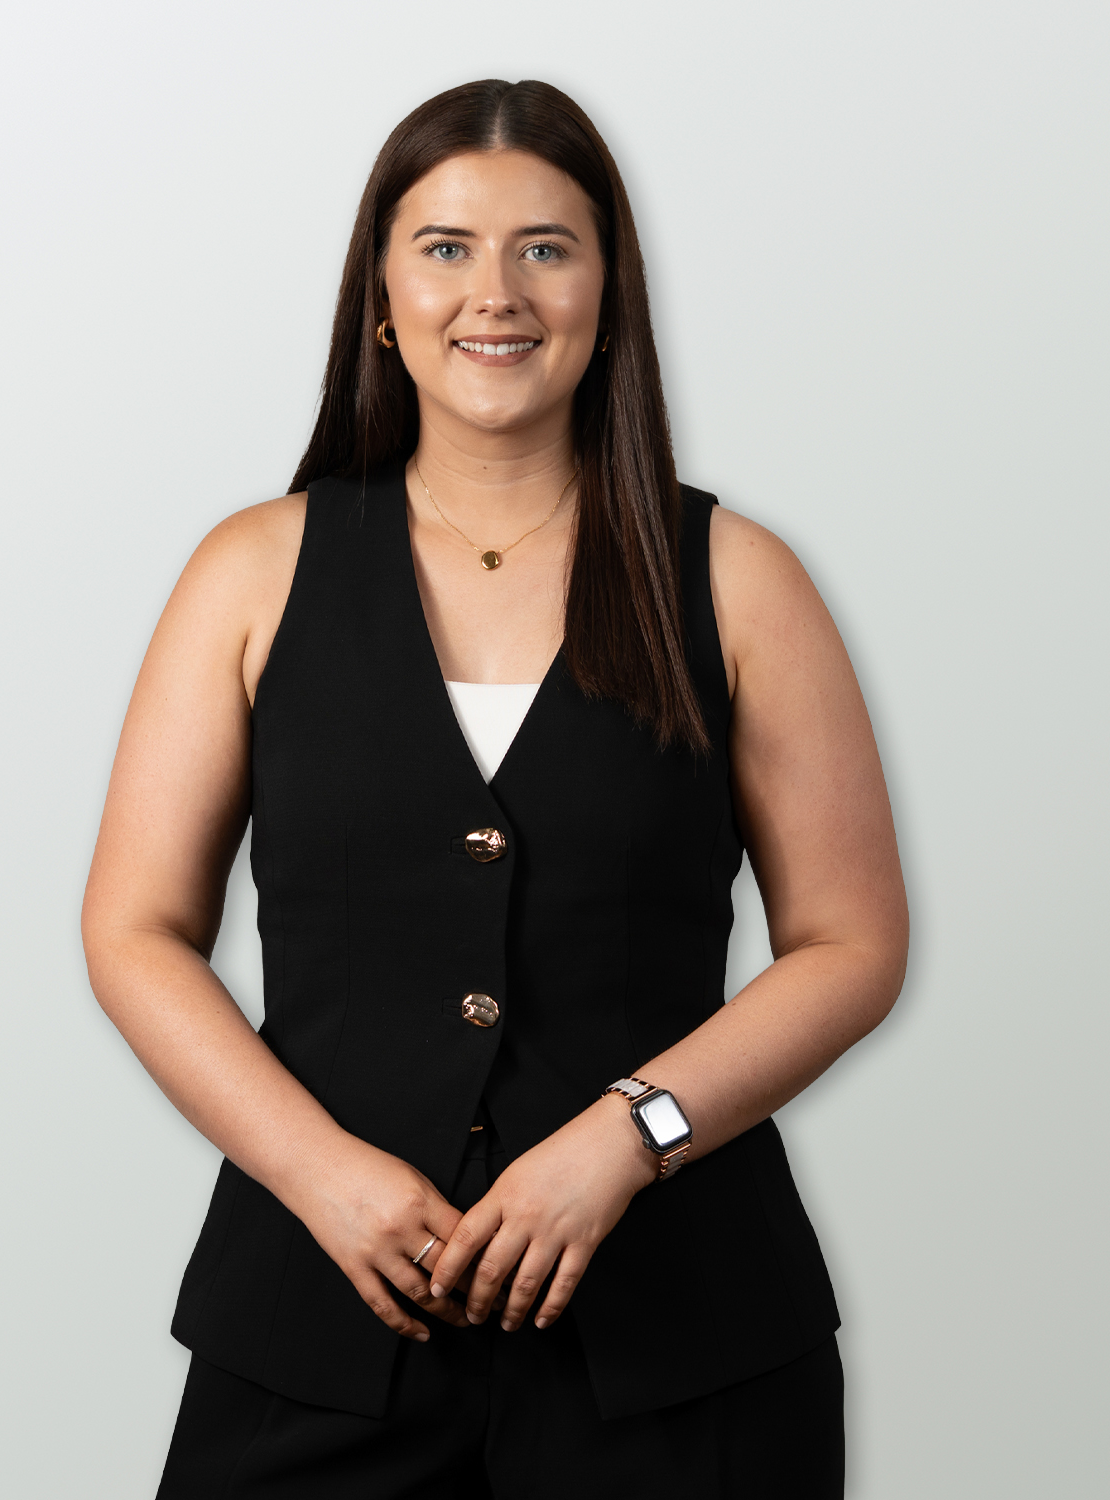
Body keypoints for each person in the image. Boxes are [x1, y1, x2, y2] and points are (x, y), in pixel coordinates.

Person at [81, 77, 908, 1498]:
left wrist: (631, 1139)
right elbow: (134, 931)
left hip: (685, 1357)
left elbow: (851, 944)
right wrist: (319, 1172)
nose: (497, 293)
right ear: (382, 298)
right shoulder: (251, 573)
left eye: (546, 247)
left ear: (609, 291)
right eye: (447, 247)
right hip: (318, 1337)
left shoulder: (739, 581)